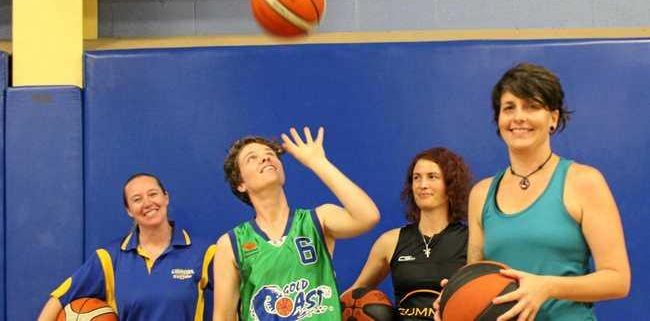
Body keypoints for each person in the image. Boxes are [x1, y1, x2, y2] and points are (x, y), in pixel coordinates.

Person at [447, 63, 630, 321]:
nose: (518, 117)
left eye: (532, 106)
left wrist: (547, 287)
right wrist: (455, 299)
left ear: (553, 118)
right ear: (498, 119)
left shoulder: (584, 181)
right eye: (509, 108)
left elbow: (618, 280)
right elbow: (477, 275)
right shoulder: (481, 193)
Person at [213, 126, 381, 321]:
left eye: (270, 154)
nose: (266, 158)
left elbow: (368, 216)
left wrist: (318, 163)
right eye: (252, 157)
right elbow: (223, 317)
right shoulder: (231, 243)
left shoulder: (318, 219)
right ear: (240, 183)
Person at [37, 173, 216, 321]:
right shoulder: (109, 258)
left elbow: (237, 298)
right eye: (137, 199)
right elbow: (58, 300)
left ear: (165, 197)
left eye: (153, 194)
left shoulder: (203, 252)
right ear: (129, 210)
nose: (147, 203)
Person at [348, 147, 472, 320]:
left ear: (450, 184)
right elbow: (352, 297)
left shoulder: (472, 240)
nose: (422, 185)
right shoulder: (390, 241)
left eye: (432, 177)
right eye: (416, 178)